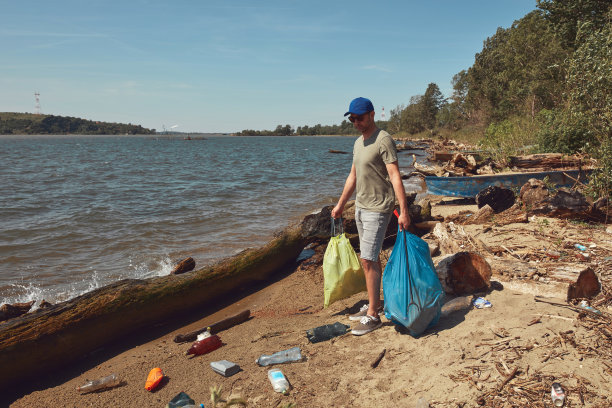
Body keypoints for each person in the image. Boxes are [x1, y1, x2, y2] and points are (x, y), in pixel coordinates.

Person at [331, 97, 410, 336]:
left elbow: (395, 176)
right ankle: (374, 302)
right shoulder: (358, 143)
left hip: (379, 207)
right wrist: (340, 205)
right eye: (352, 119)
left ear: (372, 115)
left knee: (367, 259)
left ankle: (373, 315)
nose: (356, 122)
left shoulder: (383, 139)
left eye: (360, 118)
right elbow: (352, 177)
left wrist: (404, 210)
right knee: (370, 260)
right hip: (361, 207)